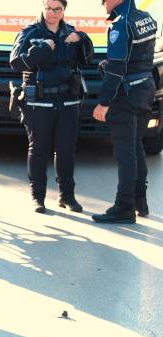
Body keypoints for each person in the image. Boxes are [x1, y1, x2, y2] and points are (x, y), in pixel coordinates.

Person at [10, 0, 94, 214]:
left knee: (66, 151)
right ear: (42, 7)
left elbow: (87, 59)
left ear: (64, 10)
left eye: (57, 9)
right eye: (48, 8)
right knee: (38, 150)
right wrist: (42, 49)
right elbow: (16, 63)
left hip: (68, 101)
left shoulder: (72, 33)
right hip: (39, 101)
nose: (52, 13)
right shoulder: (29, 33)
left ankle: (67, 196)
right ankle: (37, 197)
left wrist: (83, 39)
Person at [91, 0, 157, 223]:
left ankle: (124, 208)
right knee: (136, 148)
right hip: (145, 89)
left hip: (126, 95)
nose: (102, 3)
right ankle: (141, 202)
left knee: (125, 154)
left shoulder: (120, 25)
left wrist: (104, 102)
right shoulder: (146, 18)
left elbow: (117, 69)